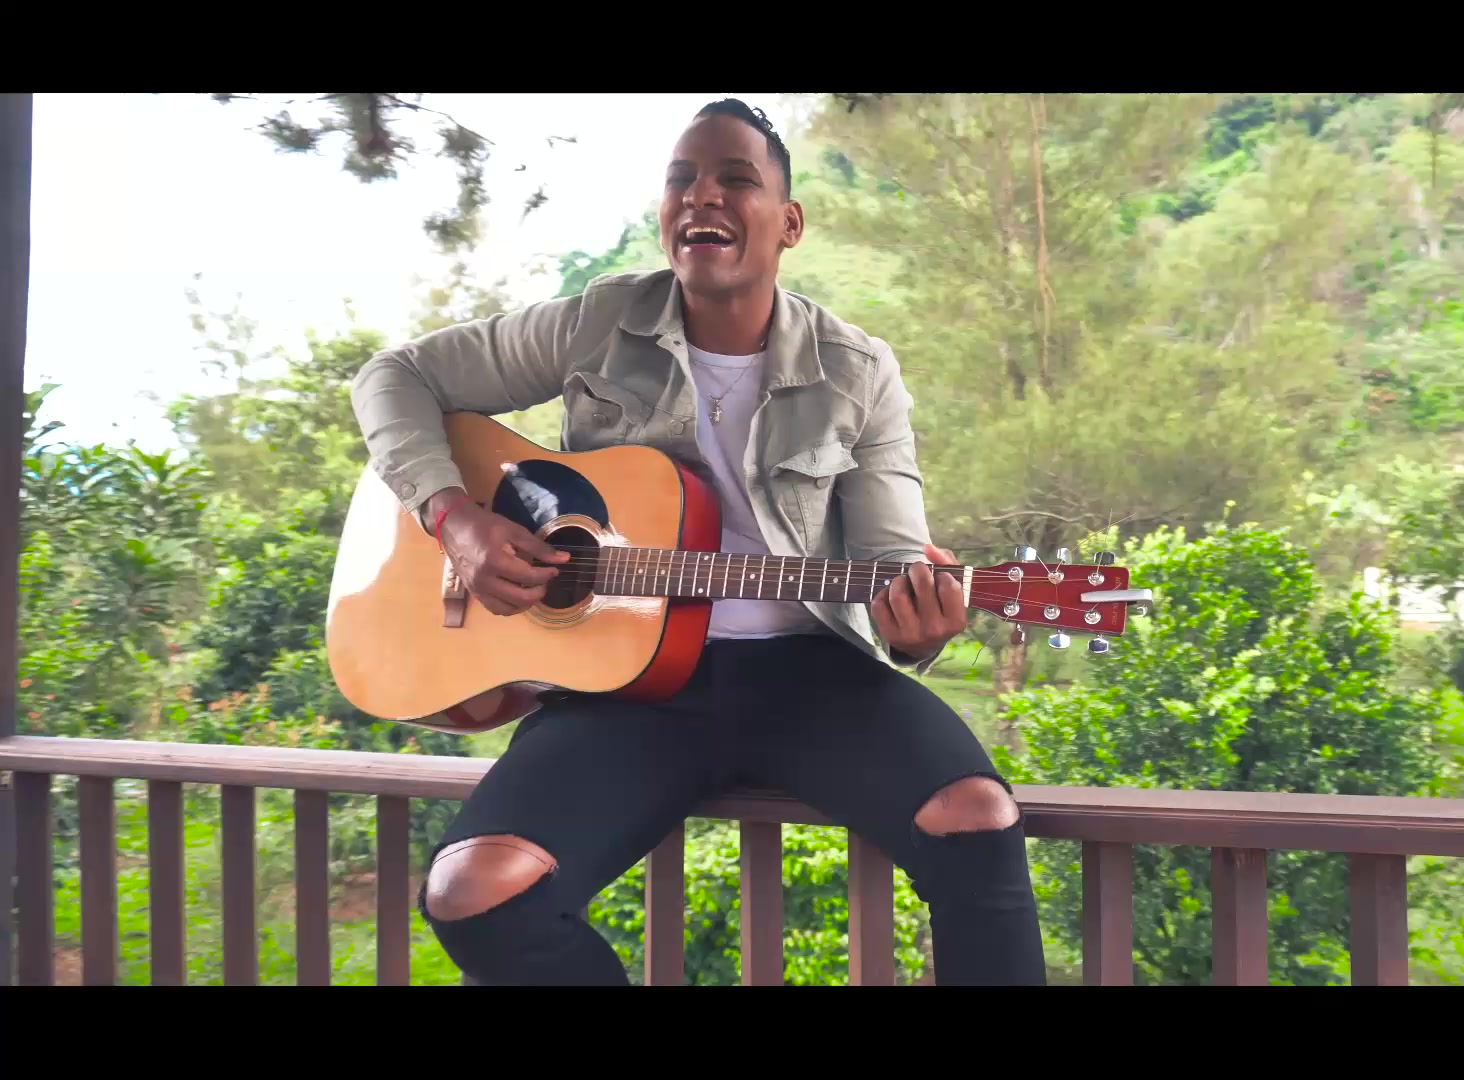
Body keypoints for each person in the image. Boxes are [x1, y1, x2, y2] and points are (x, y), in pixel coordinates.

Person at [348, 98, 1047, 985]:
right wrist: (456, 519)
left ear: (789, 223)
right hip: (622, 688)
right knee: (472, 891)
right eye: (681, 179)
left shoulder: (857, 368)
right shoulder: (598, 322)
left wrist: (919, 628)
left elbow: (894, 562)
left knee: (978, 817)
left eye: (734, 179)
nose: (701, 195)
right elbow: (393, 375)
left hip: (811, 679)